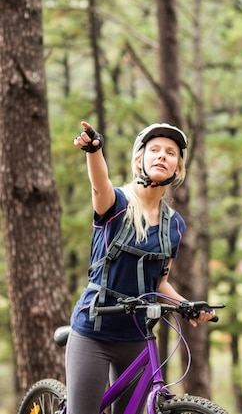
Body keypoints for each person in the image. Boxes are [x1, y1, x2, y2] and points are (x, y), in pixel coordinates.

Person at [68, 121, 214, 414]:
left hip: (136, 337)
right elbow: (100, 183)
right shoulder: (116, 204)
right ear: (140, 159)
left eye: (170, 152)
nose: (162, 156)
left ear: (178, 168)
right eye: (155, 150)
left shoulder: (174, 224)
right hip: (93, 331)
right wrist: (94, 151)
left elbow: (159, 283)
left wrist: (188, 306)